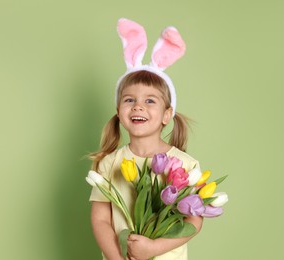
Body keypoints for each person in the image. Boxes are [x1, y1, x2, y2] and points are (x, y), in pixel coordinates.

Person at [89, 18, 203, 260]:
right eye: (129, 100)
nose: (138, 106)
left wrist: (153, 249)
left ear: (166, 115)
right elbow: (100, 219)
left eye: (150, 100)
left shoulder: (186, 165)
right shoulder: (109, 163)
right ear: (119, 111)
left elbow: (194, 220)